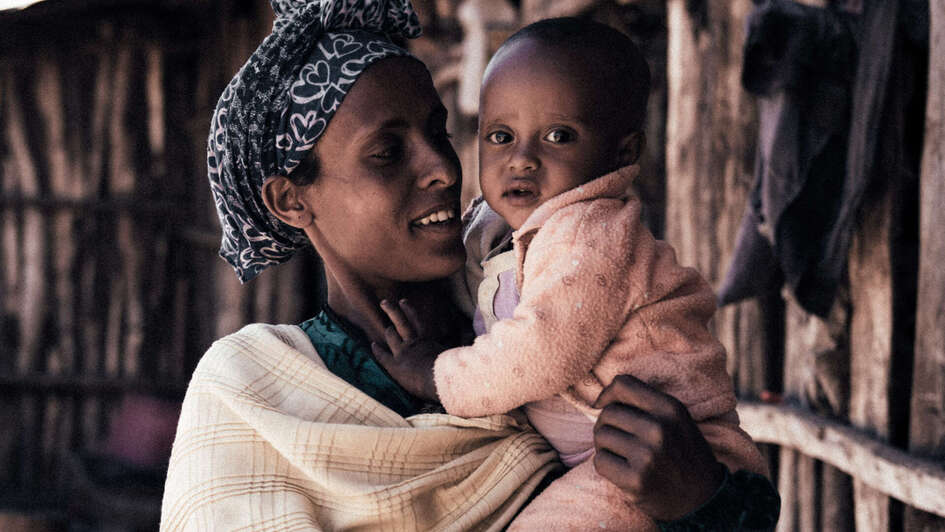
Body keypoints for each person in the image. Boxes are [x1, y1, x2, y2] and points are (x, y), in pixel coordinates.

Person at [161, 0, 779, 530]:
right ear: (290, 200)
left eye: (440, 130)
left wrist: (704, 502)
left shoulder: (540, 317)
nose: (442, 166)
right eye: (387, 152)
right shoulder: (254, 395)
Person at [371, 17, 778, 530]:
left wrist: (436, 374)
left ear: (623, 153)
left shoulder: (590, 230)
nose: (521, 160)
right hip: (601, 447)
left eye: (558, 136)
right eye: (500, 136)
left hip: (647, 454)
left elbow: (541, 351)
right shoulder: (505, 228)